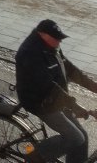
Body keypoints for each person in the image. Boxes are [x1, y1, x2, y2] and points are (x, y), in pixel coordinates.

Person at [15, 19, 97, 163]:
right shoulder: (30, 53)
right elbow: (48, 87)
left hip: (57, 99)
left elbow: (70, 69)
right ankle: (35, 157)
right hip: (41, 102)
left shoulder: (52, 47)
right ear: (42, 34)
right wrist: (75, 106)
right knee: (75, 137)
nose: (59, 41)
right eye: (56, 38)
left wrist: (93, 86)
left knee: (82, 138)